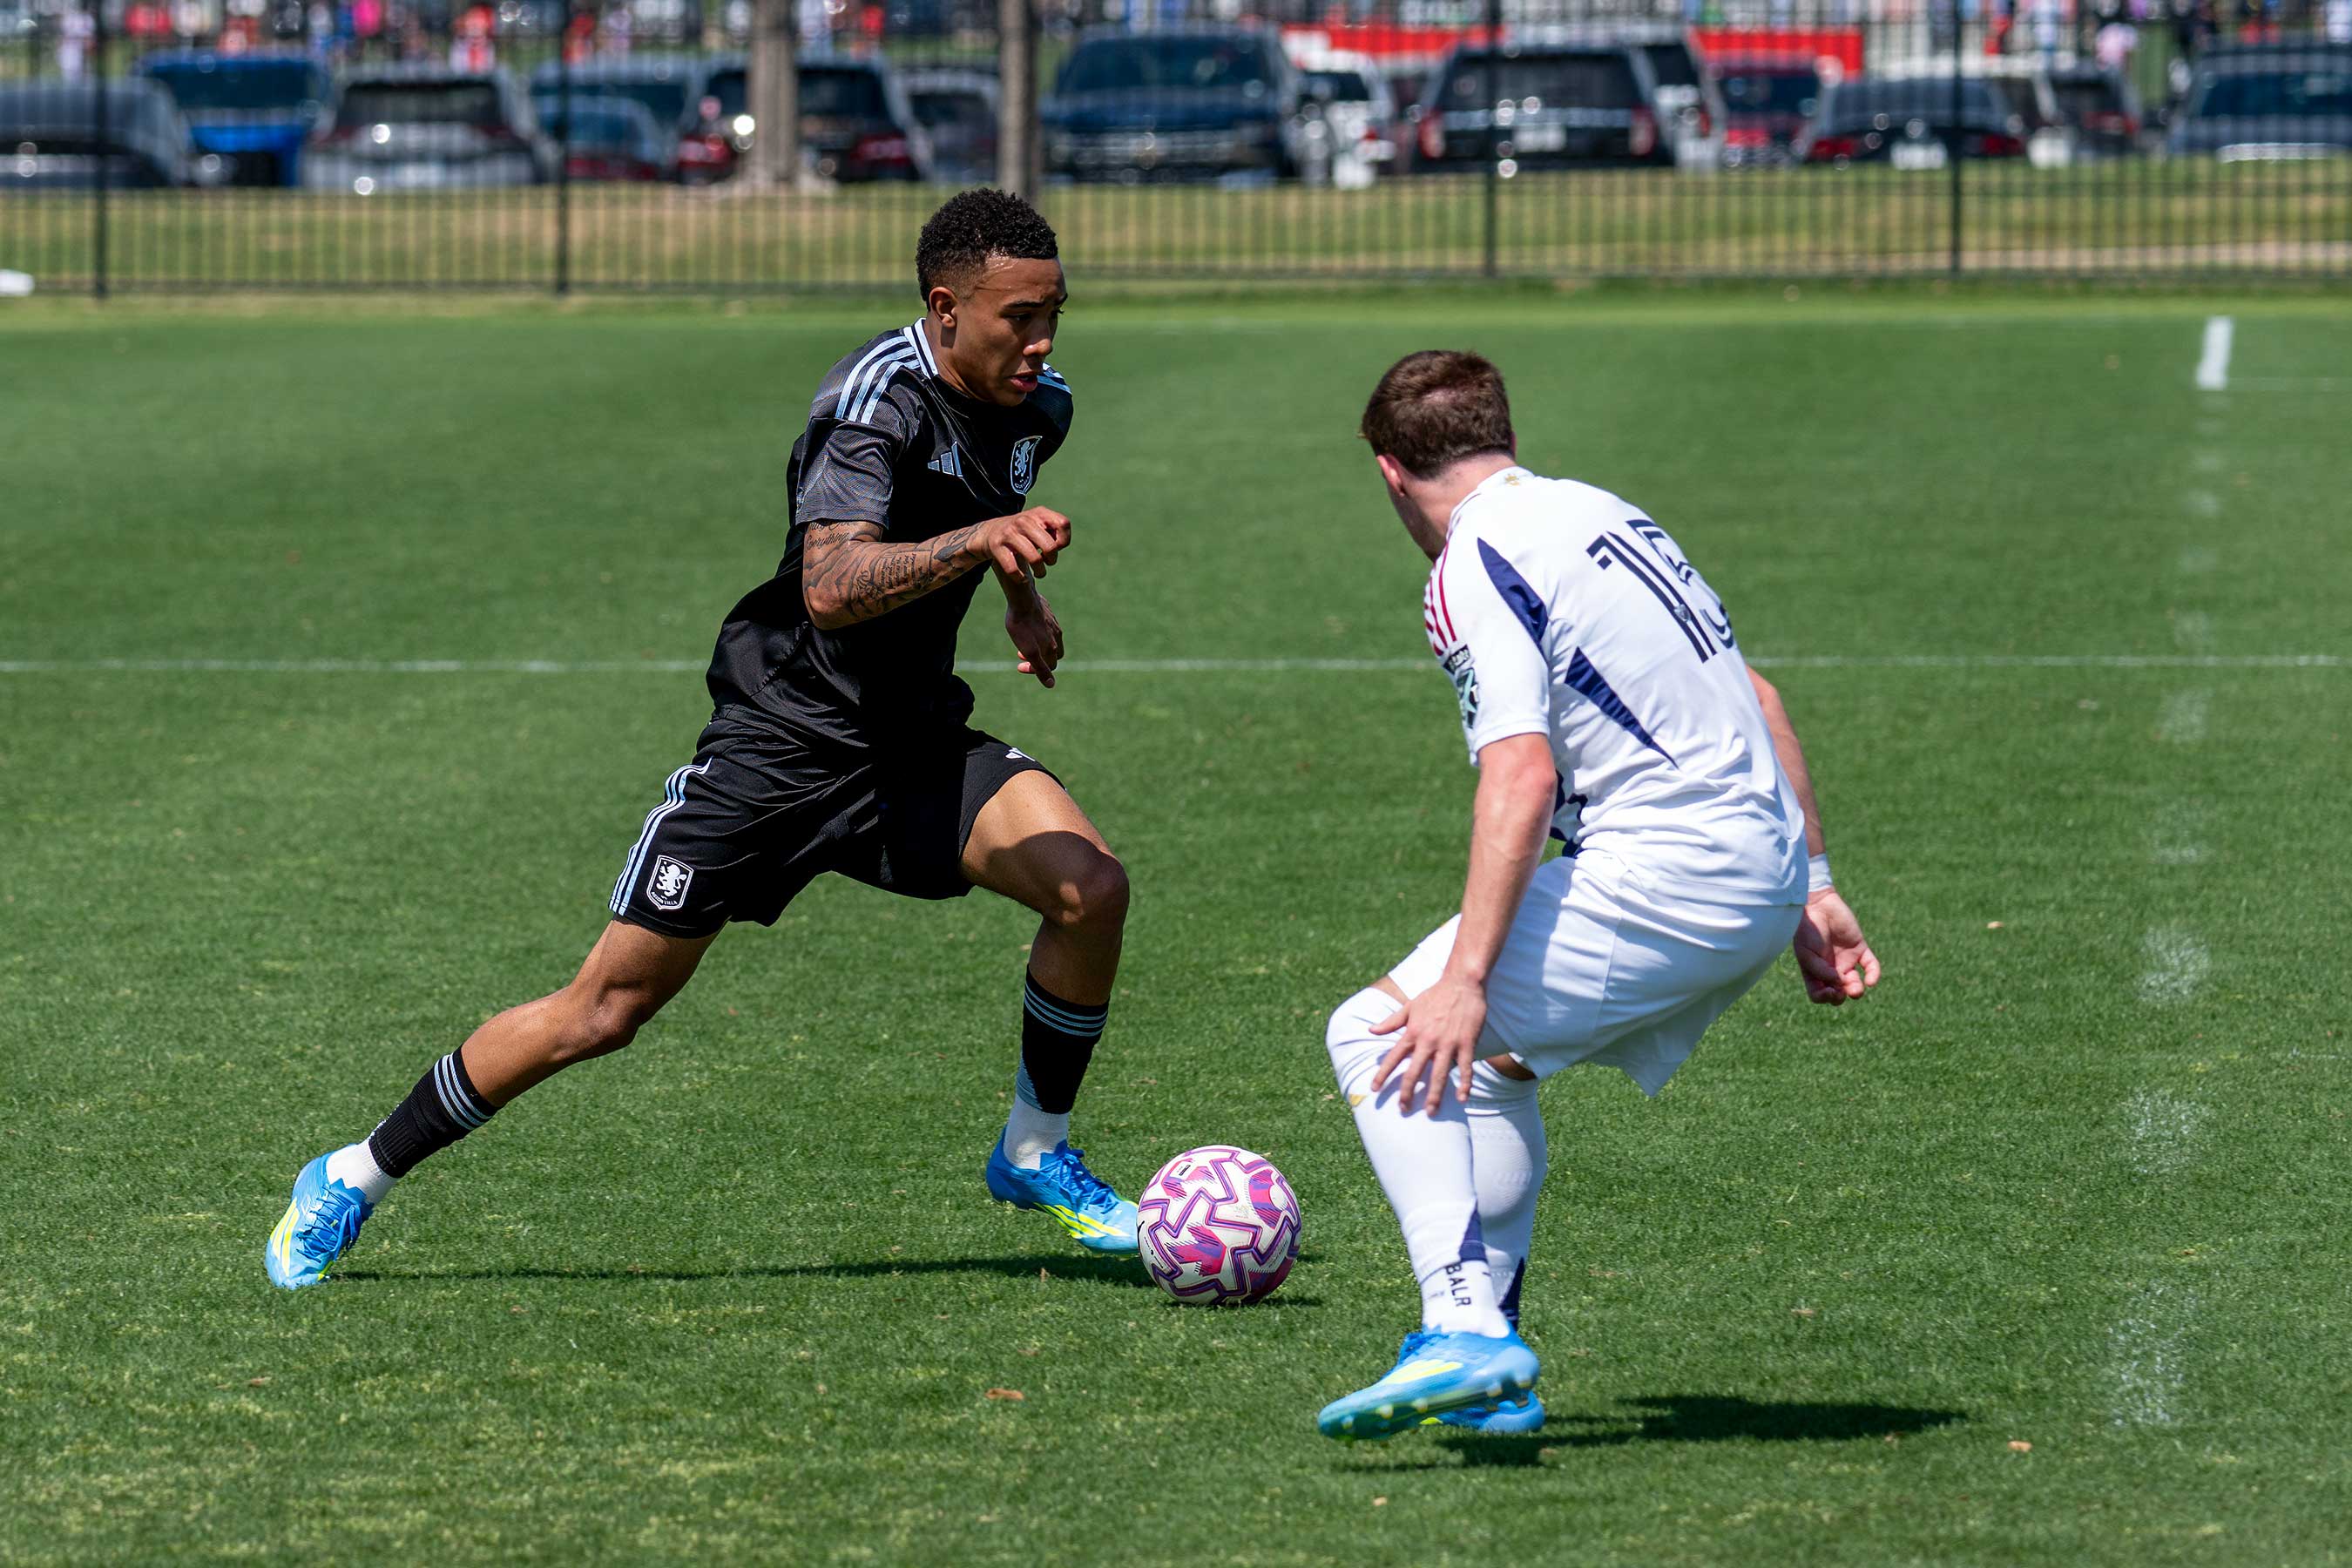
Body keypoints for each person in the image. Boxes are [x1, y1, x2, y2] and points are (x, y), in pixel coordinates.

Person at [267, 190, 1141, 1289]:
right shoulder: (874, 404)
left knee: (1089, 890)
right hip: (779, 747)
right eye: (1020, 317)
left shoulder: (1039, 407)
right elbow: (830, 587)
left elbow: (977, 515)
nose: (1044, 340)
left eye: (1055, 313)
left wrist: (1019, 596)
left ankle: (1035, 1152)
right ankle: (353, 1174)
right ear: (946, 307)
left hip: (911, 740)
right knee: (604, 1011)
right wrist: (982, 542)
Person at [1316, 352, 1881, 1440]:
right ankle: (1495, 1376)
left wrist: (1464, 980)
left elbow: (1521, 775)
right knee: (1488, 1075)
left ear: (1390, 473)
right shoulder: (1607, 514)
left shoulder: (1472, 562)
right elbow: (1757, 696)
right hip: (1755, 865)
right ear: (1504, 436)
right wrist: (1812, 885)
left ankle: (1461, 1331)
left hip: (1674, 873)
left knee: (1380, 1034)